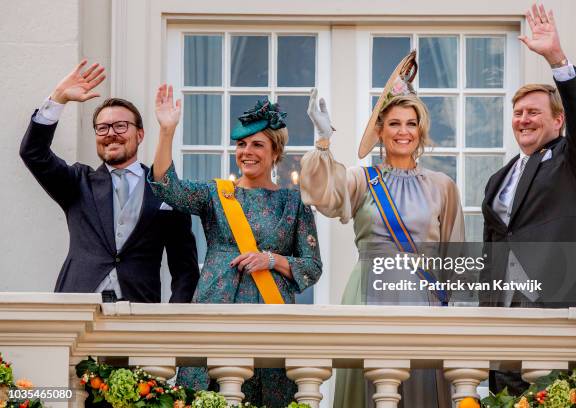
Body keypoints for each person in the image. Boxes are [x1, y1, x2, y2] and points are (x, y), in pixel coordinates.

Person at [300, 52, 464, 408]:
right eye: (393, 123)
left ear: (420, 130)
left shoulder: (442, 185)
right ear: (380, 131)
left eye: (410, 123)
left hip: (422, 298)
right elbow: (322, 194)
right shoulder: (362, 179)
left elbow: (455, 257)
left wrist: (460, 322)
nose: (402, 131)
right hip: (368, 294)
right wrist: (324, 140)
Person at [148, 84, 322, 405]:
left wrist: (271, 260)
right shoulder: (217, 195)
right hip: (216, 308)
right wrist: (167, 131)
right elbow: (165, 186)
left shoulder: (293, 203)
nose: (247, 152)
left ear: (275, 153)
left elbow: (312, 268)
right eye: (242, 144)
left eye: (257, 144)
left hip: (271, 316)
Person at [480, 3, 576, 394]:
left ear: (558, 120)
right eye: (518, 112)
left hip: (559, 309)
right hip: (504, 320)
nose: (523, 119)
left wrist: (556, 59)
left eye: (534, 112)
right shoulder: (497, 180)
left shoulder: (574, 160)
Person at [19, 60, 199, 303]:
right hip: (76, 310)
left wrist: (172, 323)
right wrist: (57, 99)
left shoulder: (166, 191)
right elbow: (33, 153)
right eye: (102, 128)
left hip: (139, 314)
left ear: (140, 134)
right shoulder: (78, 183)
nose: (111, 133)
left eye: (121, 126)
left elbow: (185, 270)